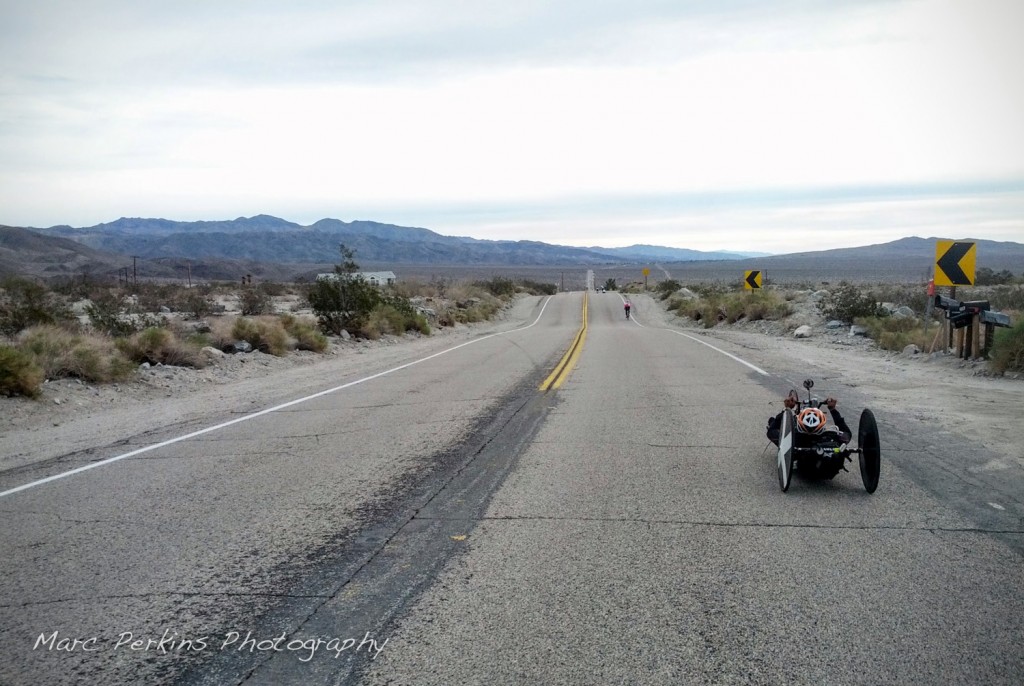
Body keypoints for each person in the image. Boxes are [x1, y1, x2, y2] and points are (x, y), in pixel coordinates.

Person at [766, 392, 851, 446]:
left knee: (772, 420)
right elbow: (847, 434)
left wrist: (787, 409)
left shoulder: (790, 441)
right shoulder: (829, 439)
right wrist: (833, 409)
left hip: (800, 461)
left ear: (799, 425)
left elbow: (771, 432)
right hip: (825, 472)